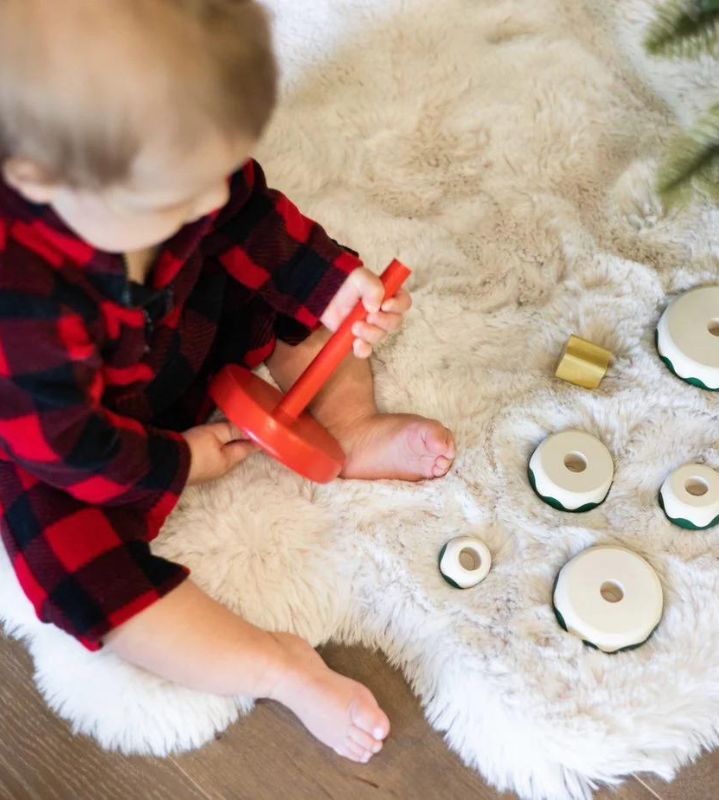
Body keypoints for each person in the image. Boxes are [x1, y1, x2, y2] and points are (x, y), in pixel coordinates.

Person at [0, 0, 456, 764]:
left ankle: (345, 420)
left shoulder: (175, 168)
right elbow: (69, 447)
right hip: (77, 433)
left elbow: (247, 218)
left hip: (178, 320)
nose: (209, 199)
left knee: (284, 282)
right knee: (74, 570)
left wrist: (336, 290)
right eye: (179, 192)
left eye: (216, 168)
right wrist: (179, 460)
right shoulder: (21, 307)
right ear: (40, 175)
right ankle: (277, 664)